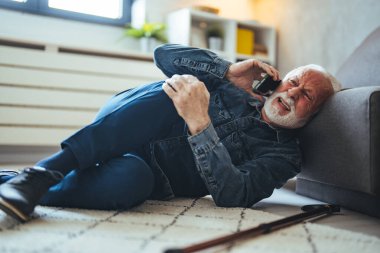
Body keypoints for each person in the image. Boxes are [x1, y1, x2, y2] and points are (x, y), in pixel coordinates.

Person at [0, 44, 341, 222]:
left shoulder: (285, 156)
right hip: (132, 119)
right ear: (280, 80)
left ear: (314, 113)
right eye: (293, 82)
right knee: (177, 92)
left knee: (132, 182)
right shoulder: (237, 86)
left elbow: (234, 194)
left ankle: (22, 184)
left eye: (307, 96)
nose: (292, 94)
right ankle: (46, 169)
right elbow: (163, 55)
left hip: (151, 175)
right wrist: (226, 70)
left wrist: (201, 125)